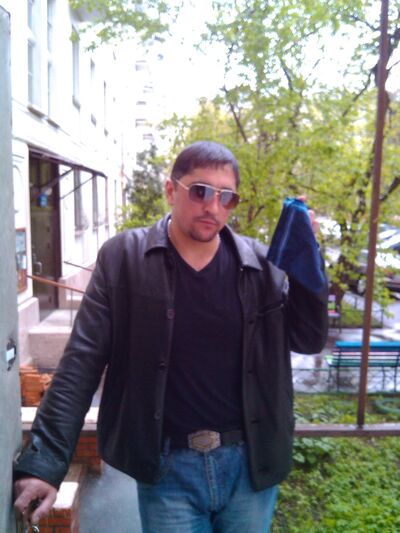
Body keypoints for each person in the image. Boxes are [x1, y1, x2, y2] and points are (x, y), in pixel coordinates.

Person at [14, 140, 328, 532]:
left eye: (227, 197)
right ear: (170, 190)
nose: (213, 207)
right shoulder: (124, 259)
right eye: (200, 191)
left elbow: (308, 339)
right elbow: (82, 362)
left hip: (250, 466)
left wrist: (307, 258)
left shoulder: (260, 266)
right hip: (168, 472)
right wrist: (44, 462)